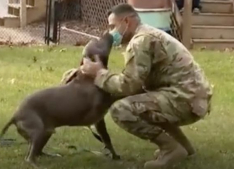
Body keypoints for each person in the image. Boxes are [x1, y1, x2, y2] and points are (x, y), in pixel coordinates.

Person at [80, 3, 213, 169]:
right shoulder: (148, 33)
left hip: (185, 100)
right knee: (145, 102)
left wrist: (98, 73)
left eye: (113, 26)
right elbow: (136, 83)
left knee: (121, 110)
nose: (110, 32)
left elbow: (128, 86)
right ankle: (183, 147)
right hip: (192, 97)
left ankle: (170, 148)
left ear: (126, 22)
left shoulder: (140, 41)